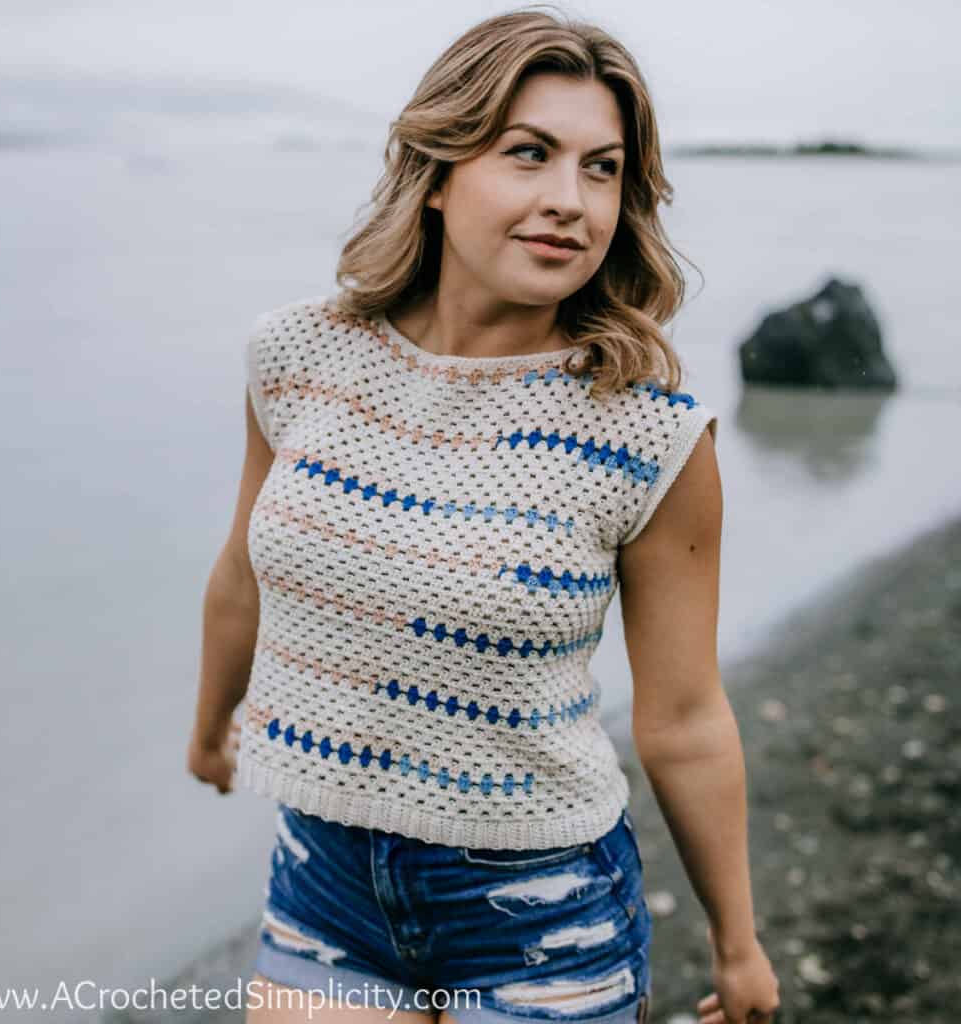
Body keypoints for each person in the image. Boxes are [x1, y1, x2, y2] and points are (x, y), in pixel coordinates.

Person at [187, 6, 780, 1024]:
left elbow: (682, 716)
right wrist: (211, 726)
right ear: (438, 167)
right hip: (321, 872)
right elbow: (243, 568)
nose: (569, 201)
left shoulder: (649, 437)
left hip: (537, 911)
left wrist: (737, 946)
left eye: (601, 169)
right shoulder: (297, 357)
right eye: (529, 154)